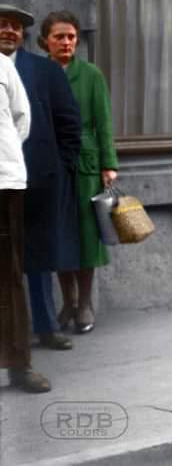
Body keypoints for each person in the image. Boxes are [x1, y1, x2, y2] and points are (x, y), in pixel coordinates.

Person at [0, 6, 81, 360]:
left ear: (23, 34)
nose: (8, 32)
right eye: (1, 26)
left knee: (36, 258)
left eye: (15, 27)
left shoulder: (44, 70)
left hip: (38, 182)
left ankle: (45, 327)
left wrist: (58, 169)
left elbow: (69, 124)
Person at [39, 11, 119, 334]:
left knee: (86, 233)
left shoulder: (90, 75)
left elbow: (104, 122)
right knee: (59, 232)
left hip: (86, 164)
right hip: (50, 162)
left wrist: (108, 164)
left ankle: (85, 302)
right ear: (46, 40)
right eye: (59, 36)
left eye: (71, 36)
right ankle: (68, 300)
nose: (67, 42)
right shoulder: (37, 73)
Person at [0, 47, 48, 391]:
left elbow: (22, 117)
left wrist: (5, 152)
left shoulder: (2, 65)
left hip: (3, 183)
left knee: (8, 275)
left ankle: (18, 364)